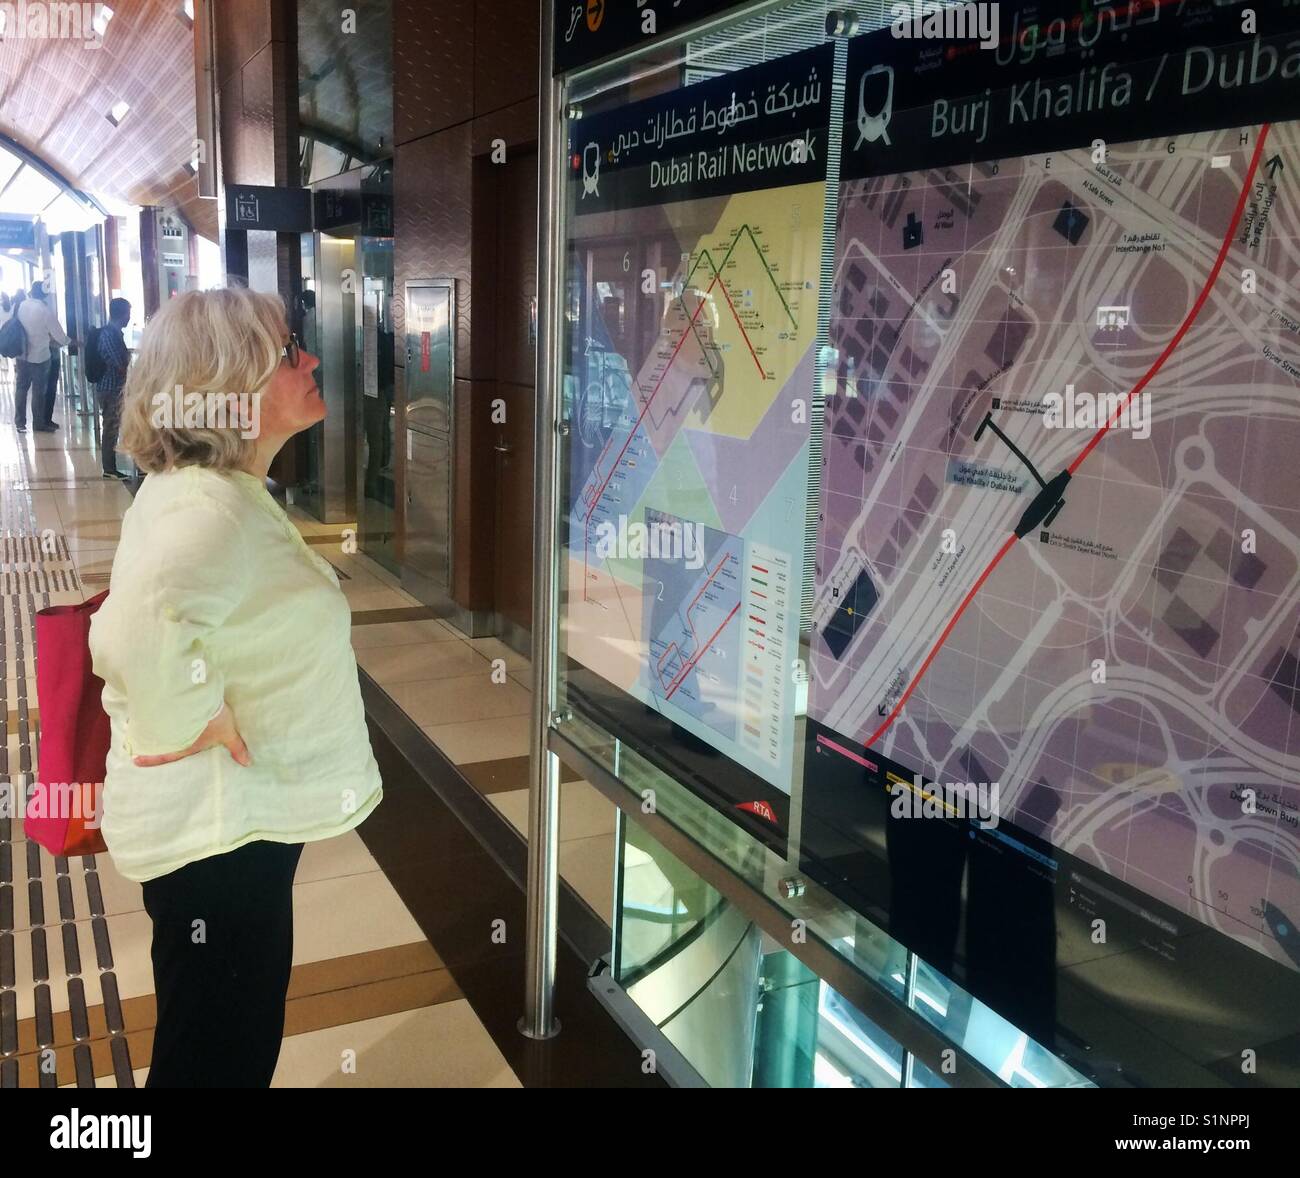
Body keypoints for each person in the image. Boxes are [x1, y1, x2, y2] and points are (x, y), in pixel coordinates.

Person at [87, 286, 383, 1087]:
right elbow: (131, 631)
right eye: (291, 352)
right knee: (219, 1055)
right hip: (217, 840)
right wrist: (202, 718)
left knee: (218, 1039)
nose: (312, 359)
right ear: (232, 385)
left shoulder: (215, 494)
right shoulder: (208, 512)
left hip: (226, 835)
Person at [14, 279, 69, 433]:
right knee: (39, 392)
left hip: (22, 354)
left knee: (21, 388)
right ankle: (38, 423)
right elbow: (60, 336)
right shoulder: (44, 310)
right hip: (40, 356)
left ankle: (20, 422)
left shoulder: (21, 305)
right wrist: (72, 342)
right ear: (44, 295)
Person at [95, 297, 133, 479]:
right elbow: (119, 364)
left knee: (114, 426)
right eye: (128, 313)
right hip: (110, 389)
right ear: (122, 314)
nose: (129, 318)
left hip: (114, 388)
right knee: (110, 427)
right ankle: (109, 468)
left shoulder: (114, 333)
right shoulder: (109, 335)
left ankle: (112, 466)